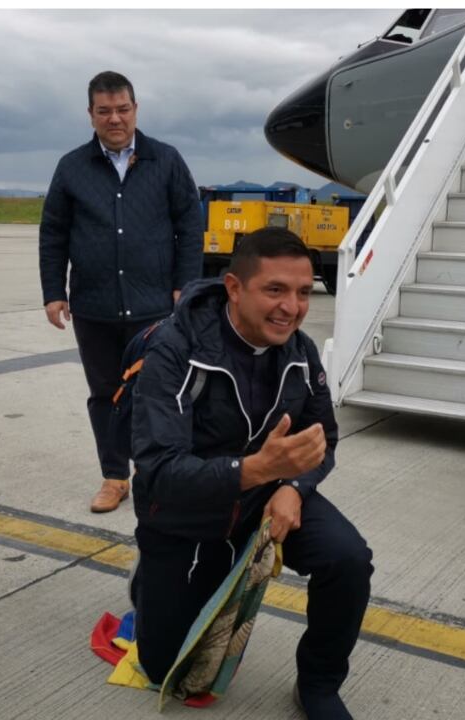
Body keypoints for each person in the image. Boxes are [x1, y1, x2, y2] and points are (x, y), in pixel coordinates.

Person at [129, 228, 373, 719]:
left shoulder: (300, 353)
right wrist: (257, 468)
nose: (293, 307)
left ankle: (319, 684)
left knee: (348, 559)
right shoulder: (175, 351)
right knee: (166, 669)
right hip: (184, 513)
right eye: (276, 290)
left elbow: (322, 437)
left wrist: (293, 487)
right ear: (234, 288)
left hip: (265, 498)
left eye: (304, 292)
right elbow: (157, 472)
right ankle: (150, 580)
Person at [39, 70, 203, 513]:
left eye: (123, 109)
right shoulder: (72, 167)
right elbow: (53, 232)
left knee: (162, 394)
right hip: (94, 307)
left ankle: (160, 473)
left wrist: (184, 287)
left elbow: (190, 225)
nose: (115, 119)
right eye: (104, 111)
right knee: (105, 394)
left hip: (155, 308)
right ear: (90, 115)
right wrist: (53, 291)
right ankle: (114, 476)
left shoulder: (165, 160)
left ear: (136, 109)